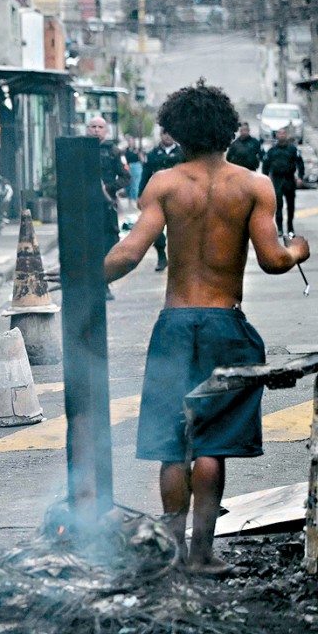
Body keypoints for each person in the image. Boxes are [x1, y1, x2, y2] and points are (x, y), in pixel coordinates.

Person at [103, 80, 309, 576]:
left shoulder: (165, 184)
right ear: (225, 130)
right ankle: (202, 554)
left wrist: (83, 277)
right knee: (212, 443)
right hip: (225, 325)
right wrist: (300, 248)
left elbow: (129, 253)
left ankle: (171, 555)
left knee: (174, 445)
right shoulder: (253, 186)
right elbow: (275, 259)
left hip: (174, 325)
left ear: (176, 132)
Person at [87, 116, 130, 300]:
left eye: (100, 127)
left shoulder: (113, 151)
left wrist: (109, 188)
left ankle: (104, 283)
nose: (96, 130)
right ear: (88, 129)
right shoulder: (83, 149)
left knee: (108, 243)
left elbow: (126, 177)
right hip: (87, 206)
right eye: (93, 127)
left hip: (107, 205)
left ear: (106, 130)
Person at [141, 129, 184, 271]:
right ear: (161, 135)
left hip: (179, 195)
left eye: (171, 133)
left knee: (179, 229)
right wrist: (141, 194)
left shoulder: (182, 153)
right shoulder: (153, 154)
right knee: (156, 228)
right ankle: (161, 256)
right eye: (166, 133)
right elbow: (145, 174)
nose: (168, 136)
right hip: (158, 196)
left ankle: (178, 260)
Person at [262, 127, 305, 236]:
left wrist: (300, 176)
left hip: (289, 179)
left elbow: (300, 163)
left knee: (291, 205)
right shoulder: (272, 151)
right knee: (278, 204)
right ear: (276, 135)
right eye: (279, 133)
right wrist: (265, 179)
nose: (281, 135)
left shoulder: (292, 149)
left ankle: (290, 227)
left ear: (286, 135)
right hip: (277, 180)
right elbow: (265, 165)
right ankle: (280, 228)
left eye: (283, 133)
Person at [124, 136, 143, 208]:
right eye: (129, 141)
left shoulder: (137, 150)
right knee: (129, 185)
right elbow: (125, 161)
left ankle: (135, 200)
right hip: (129, 166)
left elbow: (141, 159)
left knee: (136, 184)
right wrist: (127, 168)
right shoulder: (126, 151)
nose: (130, 142)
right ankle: (130, 199)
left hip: (137, 166)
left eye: (131, 141)